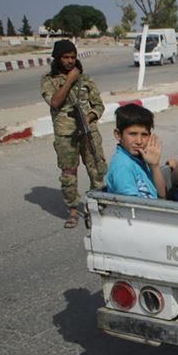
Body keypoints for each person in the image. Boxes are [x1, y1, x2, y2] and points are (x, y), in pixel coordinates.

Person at [40, 40, 106, 228]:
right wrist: (70, 80)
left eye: (73, 57)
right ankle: (72, 211)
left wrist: (90, 117)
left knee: (97, 170)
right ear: (57, 58)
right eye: (65, 57)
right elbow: (54, 102)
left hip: (88, 132)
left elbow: (99, 106)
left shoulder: (86, 80)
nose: (70, 61)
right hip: (66, 135)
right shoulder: (49, 80)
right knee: (69, 174)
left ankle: (95, 208)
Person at [105, 103, 167, 199]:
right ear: (118, 135)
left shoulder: (139, 158)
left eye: (144, 135)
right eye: (133, 134)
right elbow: (132, 208)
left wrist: (154, 165)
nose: (139, 141)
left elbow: (161, 194)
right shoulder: (122, 166)